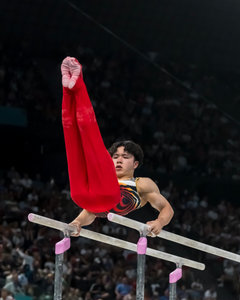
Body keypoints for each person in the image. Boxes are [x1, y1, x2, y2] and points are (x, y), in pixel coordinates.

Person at [60, 56, 173, 237]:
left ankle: (75, 87)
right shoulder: (104, 172)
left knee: (82, 140)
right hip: (84, 197)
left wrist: (159, 222)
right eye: (115, 156)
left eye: (125, 157)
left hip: (97, 194)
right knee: (75, 136)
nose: (119, 160)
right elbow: (91, 211)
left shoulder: (142, 184)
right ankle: (69, 88)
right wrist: (77, 222)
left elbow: (167, 208)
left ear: (136, 164)